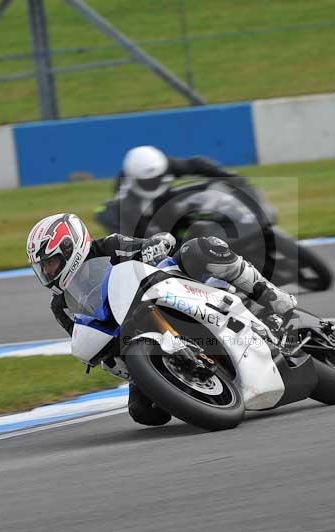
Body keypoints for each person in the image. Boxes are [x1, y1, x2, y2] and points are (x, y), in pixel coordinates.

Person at [26, 213, 296, 426]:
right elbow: (86, 336)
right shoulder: (61, 306)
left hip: (163, 293)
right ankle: (196, 386)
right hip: (132, 339)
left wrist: (157, 245)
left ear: (70, 246)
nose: (48, 271)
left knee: (201, 248)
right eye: (43, 267)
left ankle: (269, 295)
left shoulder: (109, 247)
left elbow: (154, 245)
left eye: (51, 262)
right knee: (144, 413)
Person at [98, 145, 242, 237]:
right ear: (135, 179)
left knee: (208, 189)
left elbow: (196, 164)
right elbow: (141, 231)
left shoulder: (165, 165)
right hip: (139, 217)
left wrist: (229, 177)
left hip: (165, 201)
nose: (154, 182)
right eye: (148, 181)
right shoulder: (125, 198)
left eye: (157, 177)